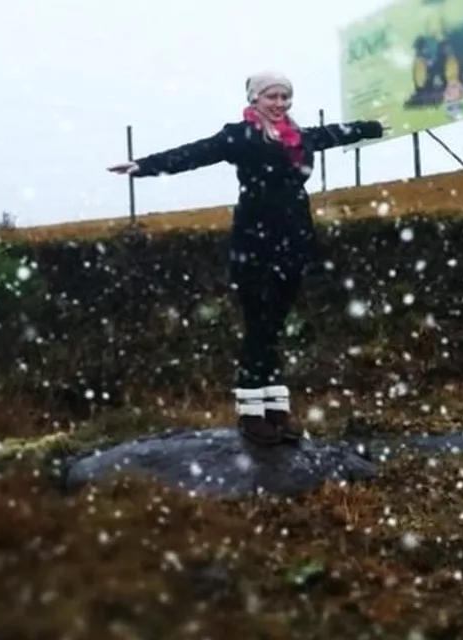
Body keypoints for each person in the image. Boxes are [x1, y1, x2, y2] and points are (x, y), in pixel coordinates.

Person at [107, 71, 386, 446]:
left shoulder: (300, 136)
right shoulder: (239, 136)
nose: (280, 103)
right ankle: (253, 412)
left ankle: (275, 410)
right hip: (254, 242)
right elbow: (196, 153)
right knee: (258, 325)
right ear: (255, 99)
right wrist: (145, 165)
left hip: (293, 240)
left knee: (274, 326)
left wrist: (372, 127)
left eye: (285, 97)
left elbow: (337, 132)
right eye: (272, 96)